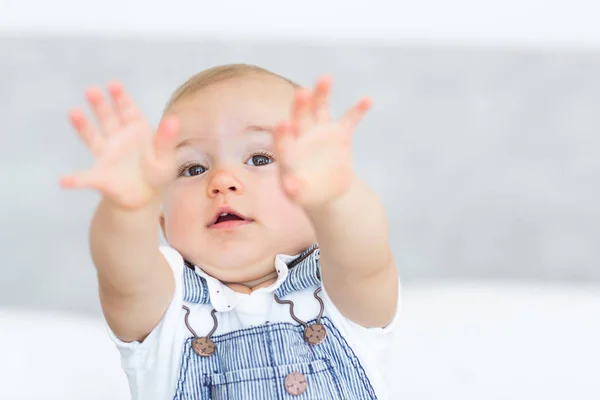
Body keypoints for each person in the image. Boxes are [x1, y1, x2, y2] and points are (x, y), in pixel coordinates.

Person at [60, 64, 401, 399]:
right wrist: (127, 209)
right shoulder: (167, 307)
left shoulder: (337, 290)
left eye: (259, 159)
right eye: (193, 168)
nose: (222, 181)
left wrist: (336, 199)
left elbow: (365, 255)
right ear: (161, 220)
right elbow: (123, 272)